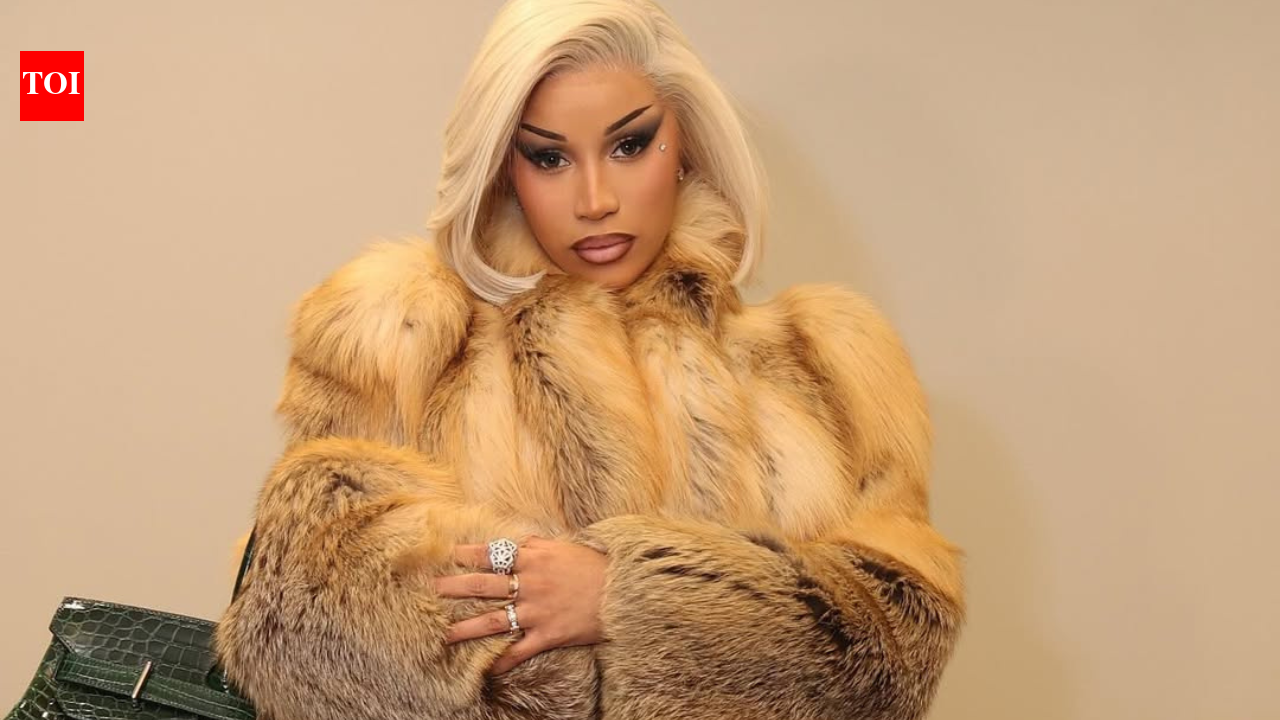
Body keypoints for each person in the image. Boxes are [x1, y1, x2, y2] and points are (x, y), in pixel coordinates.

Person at [214, 0, 965, 718]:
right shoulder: (401, 333)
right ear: (505, 167)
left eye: (630, 145)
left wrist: (631, 597)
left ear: (686, 144)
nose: (596, 198)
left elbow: (895, 650)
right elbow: (308, 619)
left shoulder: (829, 362)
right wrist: (595, 627)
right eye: (549, 157)